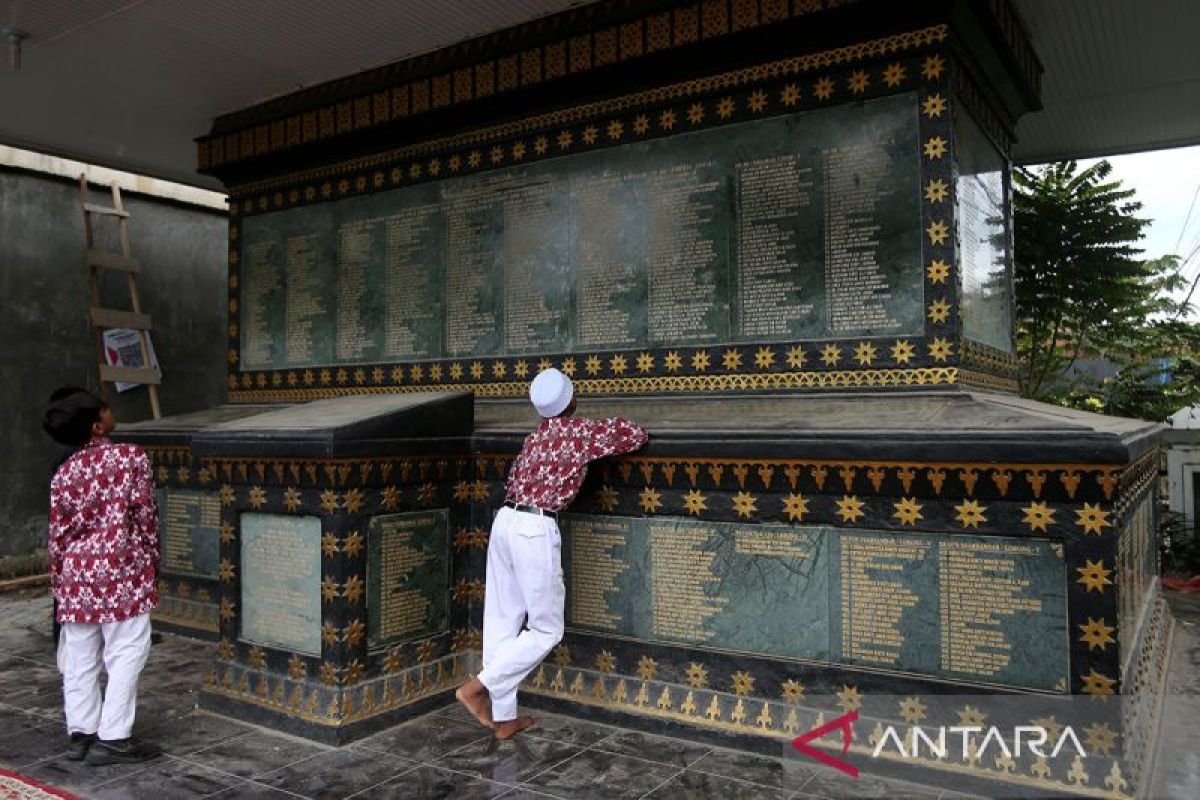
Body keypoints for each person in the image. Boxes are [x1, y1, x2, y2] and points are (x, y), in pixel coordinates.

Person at [457, 368, 648, 739]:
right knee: (546, 629)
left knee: (502, 620)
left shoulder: (533, 439)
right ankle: (477, 687)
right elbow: (635, 435)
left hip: (505, 521)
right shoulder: (579, 434)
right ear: (572, 401)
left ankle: (505, 717)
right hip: (534, 528)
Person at [43, 388, 162, 765]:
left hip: (76, 574)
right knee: (126, 651)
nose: (111, 413)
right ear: (97, 426)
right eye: (105, 410)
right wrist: (152, 562)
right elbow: (145, 517)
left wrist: (60, 583)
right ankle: (113, 737)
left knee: (80, 656)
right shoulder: (131, 459)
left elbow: (58, 536)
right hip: (121, 568)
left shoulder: (64, 474)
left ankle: (82, 733)